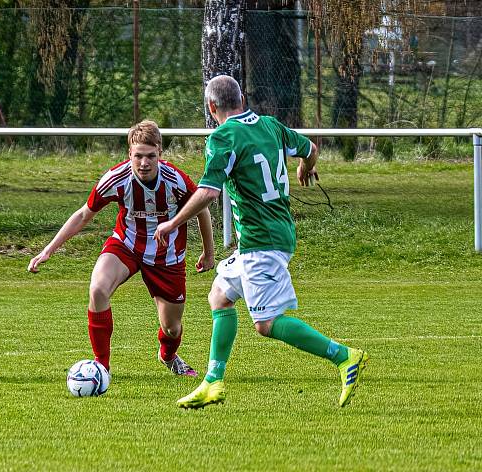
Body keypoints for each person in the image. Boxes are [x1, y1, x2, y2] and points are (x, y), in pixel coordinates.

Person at [154, 75, 368, 408]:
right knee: (220, 296)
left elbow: (209, 192)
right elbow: (311, 148)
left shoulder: (224, 137)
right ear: (241, 98)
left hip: (261, 241)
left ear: (212, 107)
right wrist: (304, 167)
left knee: (266, 324)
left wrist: (172, 222)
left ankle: (344, 356)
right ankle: (213, 382)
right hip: (274, 233)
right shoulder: (270, 125)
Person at [28, 120, 215, 376]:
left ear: (160, 153)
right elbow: (84, 214)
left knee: (172, 328)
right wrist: (49, 249)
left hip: (166, 255)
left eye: (150, 156)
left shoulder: (175, 180)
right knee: (97, 289)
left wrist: (209, 252)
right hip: (126, 245)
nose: (144, 163)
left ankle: (168, 355)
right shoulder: (117, 178)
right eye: (138, 156)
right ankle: (101, 367)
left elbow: (202, 209)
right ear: (130, 155)